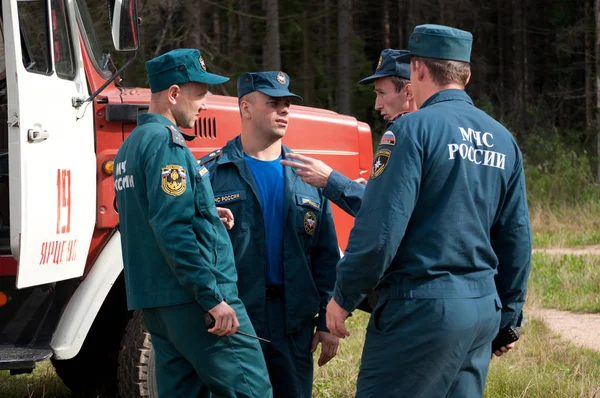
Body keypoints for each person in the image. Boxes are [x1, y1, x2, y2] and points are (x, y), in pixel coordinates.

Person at [326, 24, 532, 398]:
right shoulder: (504, 139)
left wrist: (343, 296)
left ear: (418, 70)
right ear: (465, 75)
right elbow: (516, 238)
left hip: (420, 310)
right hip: (480, 309)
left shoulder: (411, 131)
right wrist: (509, 318)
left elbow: (380, 233)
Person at [114, 49, 272, 398]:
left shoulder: (131, 146)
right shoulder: (166, 143)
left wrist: (206, 212)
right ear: (173, 94)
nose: (205, 103)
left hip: (157, 302)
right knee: (251, 389)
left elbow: (141, 211)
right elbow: (173, 227)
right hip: (194, 300)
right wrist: (211, 297)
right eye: (200, 93)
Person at [200, 71, 340, 398]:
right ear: (245, 109)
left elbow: (325, 255)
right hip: (236, 320)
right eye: (274, 103)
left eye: (287, 103)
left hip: (294, 322)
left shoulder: (308, 177)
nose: (285, 110)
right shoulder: (212, 175)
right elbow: (197, 252)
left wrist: (325, 325)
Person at [281, 48, 417, 218]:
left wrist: (330, 179)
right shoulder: (430, 132)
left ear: (408, 92)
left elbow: (388, 212)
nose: (377, 105)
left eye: (382, 93)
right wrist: (369, 191)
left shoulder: (406, 135)